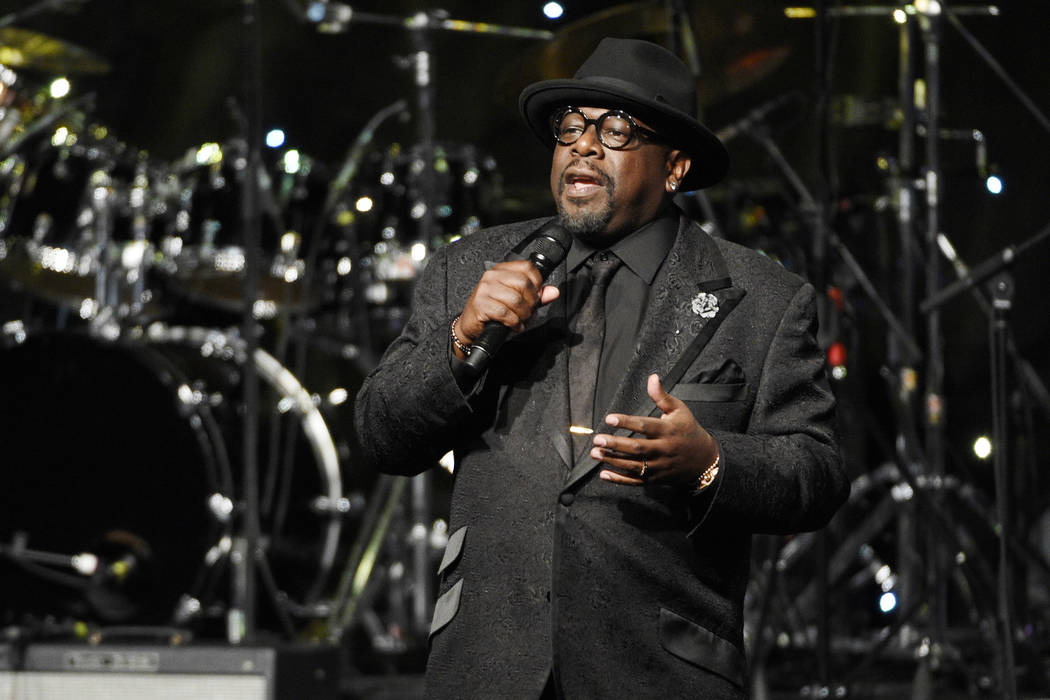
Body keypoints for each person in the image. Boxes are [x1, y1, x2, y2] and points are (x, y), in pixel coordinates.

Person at [355, 37, 849, 700]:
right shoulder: (471, 269)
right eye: (571, 127)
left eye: (615, 129)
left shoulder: (759, 298)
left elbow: (815, 472)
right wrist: (465, 340)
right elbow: (384, 434)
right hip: (489, 668)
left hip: (660, 673)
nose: (584, 145)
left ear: (674, 166)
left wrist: (708, 461)